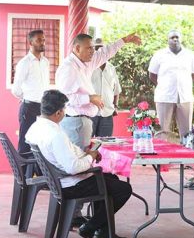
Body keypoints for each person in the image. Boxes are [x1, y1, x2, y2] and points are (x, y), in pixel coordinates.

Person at [25, 90, 132, 238]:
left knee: (110, 180)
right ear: (59, 112)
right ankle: (90, 227)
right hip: (70, 183)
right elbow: (73, 168)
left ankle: (102, 231)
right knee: (123, 189)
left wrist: (85, 154)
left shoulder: (36, 127)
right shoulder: (55, 134)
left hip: (58, 179)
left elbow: (65, 157)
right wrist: (91, 157)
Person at [56, 32, 139, 226]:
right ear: (76, 49)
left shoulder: (85, 63)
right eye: (89, 48)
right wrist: (89, 98)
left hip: (84, 121)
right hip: (76, 121)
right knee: (79, 169)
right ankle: (74, 215)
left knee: (87, 165)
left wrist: (124, 40)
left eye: (93, 47)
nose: (93, 51)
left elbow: (105, 54)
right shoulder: (68, 68)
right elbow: (64, 97)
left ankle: (76, 214)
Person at [148, 30, 194, 138]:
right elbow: (152, 75)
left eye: (177, 37)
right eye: (172, 37)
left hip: (185, 97)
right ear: (168, 40)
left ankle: (186, 152)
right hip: (164, 96)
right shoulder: (159, 55)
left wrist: (183, 84)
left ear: (181, 39)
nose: (175, 39)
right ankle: (162, 153)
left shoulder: (190, 55)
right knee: (163, 130)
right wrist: (165, 85)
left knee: (186, 132)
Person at [11, 29, 50, 155]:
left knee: (41, 143)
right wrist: (27, 97)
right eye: (39, 40)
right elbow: (16, 89)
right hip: (29, 108)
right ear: (31, 43)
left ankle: (39, 173)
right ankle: (22, 175)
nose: (42, 42)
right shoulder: (24, 63)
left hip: (43, 108)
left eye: (43, 39)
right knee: (25, 143)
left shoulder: (46, 62)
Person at [90, 38, 122, 137]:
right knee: (87, 144)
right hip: (91, 113)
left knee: (105, 145)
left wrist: (115, 106)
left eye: (102, 49)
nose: (100, 52)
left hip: (107, 113)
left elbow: (116, 90)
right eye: (97, 49)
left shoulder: (111, 68)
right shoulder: (88, 67)